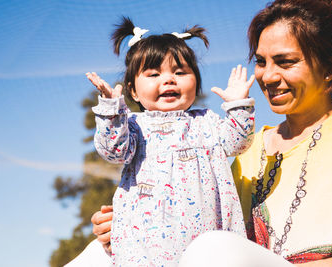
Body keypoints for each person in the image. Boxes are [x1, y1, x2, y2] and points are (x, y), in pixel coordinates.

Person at [82, 0, 332, 266]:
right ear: (133, 90)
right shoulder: (249, 149)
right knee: (98, 254)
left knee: (212, 245)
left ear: (330, 68)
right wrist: (138, 223)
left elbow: (218, 248)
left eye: (285, 62)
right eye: (261, 62)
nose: (267, 76)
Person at [83, 17, 255, 266]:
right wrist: (111, 110)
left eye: (180, 72)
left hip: (205, 244)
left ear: (196, 82)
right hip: (143, 246)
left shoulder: (207, 122)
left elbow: (239, 143)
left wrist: (238, 105)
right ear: (132, 91)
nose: (168, 80)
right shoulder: (133, 126)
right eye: (153, 74)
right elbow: (113, 151)